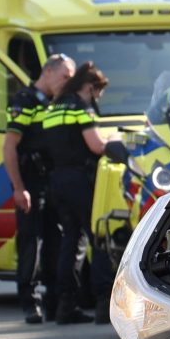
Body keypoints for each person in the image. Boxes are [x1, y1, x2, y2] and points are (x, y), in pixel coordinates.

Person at [35, 62, 112, 324]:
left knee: (70, 240)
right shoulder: (81, 108)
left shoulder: (52, 108)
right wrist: (116, 144)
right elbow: (96, 146)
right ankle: (104, 303)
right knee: (97, 237)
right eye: (97, 93)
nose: (97, 98)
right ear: (89, 87)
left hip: (58, 180)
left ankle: (65, 305)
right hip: (81, 179)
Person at [3, 55, 73, 324]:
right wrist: (19, 188)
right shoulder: (25, 101)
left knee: (55, 240)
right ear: (48, 71)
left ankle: (54, 302)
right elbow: (9, 147)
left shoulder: (57, 102)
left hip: (52, 180)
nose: (67, 82)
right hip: (30, 181)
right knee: (30, 242)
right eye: (64, 76)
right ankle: (29, 301)